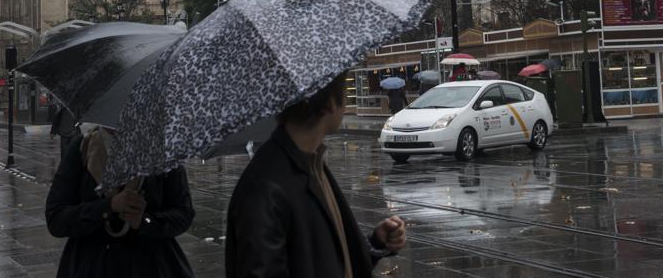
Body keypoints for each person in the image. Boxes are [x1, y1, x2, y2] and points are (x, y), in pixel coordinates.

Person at [226, 73, 407, 277]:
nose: (346, 106)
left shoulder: (311, 161)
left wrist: (376, 242)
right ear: (330, 104)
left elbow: (322, 257)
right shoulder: (265, 187)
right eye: (345, 97)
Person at [45, 125, 196, 277]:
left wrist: (145, 221)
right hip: (92, 266)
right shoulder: (83, 147)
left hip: (151, 266)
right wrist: (107, 207)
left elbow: (184, 213)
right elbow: (56, 218)